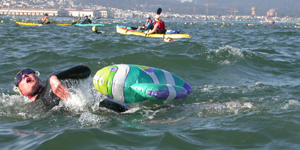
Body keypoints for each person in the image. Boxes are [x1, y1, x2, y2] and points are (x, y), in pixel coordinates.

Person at [13, 65, 128, 113]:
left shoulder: (53, 84)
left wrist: (54, 77)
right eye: (19, 78)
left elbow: (85, 70)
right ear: (21, 92)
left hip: (114, 111)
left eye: (28, 72)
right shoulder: (25, 110)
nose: (24, 76)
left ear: (39, 78)